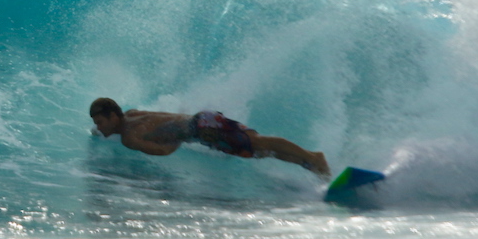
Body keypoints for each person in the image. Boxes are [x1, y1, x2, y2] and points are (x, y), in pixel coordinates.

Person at [88, 97, 329, 177]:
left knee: (257, 144)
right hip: (202, 120)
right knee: (257, 150)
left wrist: (179, 137)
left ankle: (313, 158)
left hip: (201, 130)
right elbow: (167, 116)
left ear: (112, 116)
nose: (99, 127)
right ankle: (308, 162)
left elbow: (163, 151)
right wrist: (183, 128)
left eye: (100, 122)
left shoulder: (129, 137)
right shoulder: (132, 114)